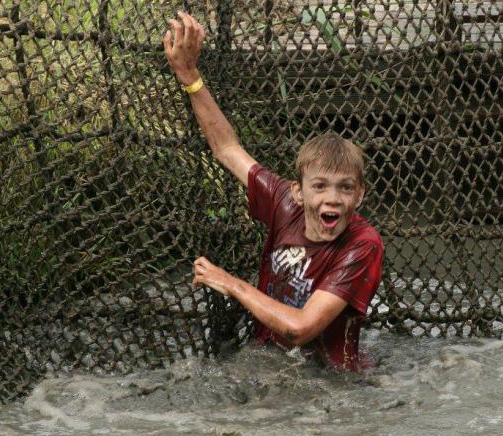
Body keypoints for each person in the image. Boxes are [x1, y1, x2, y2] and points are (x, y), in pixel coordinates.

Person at [164, 12, 383, 371]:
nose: (333, 199)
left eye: (345, 189)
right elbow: (227, 149)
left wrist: (230, 283)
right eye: (320, 186)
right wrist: (189, 77)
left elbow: (300, 330)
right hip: (269, 362)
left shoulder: (363, 244)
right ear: (298, 192)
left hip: (333, 385)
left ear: (359, 196)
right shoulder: (284, 203)